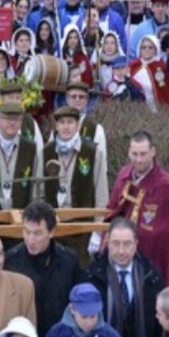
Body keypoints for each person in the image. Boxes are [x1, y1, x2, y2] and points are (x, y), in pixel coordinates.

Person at [105, 131, 169, 286]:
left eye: (143, 154)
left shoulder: (168, 188)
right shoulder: (124, 175)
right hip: (121, 253)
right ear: (129, 152)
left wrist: (143, 235)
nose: (138, 160)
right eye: (134, 154)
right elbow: (113, 209)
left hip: (151, 260)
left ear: (153, 152)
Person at [86, 217, 164, 337]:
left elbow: (159, 327)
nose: (121, 251)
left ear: (136, 244)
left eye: (127, 244)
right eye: (115, 244)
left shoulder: (152, 276)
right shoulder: (92, 276)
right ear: (107, 242)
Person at [5, 201, 85, 337]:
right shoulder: (11, 262)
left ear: (51, 232)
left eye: (37, 233)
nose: (31, 240)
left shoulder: (69, 261)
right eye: (27, 232)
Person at [43, 105, 108, 257]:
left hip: (82, 229)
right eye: (62, 122)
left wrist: (98, 231)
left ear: (78, 125)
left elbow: (101, 192)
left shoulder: (92, 152)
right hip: (53, 227)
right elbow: (38, 193)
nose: (66, 127)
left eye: (70, 122)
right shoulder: (46, 152)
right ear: (56, 126)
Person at [0, 101, 41, 210]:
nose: (12, 123)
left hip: (21, 213)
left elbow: (36, 183)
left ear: (21, 122)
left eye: (16, 119)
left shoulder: (30, 148)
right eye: (7, 118)